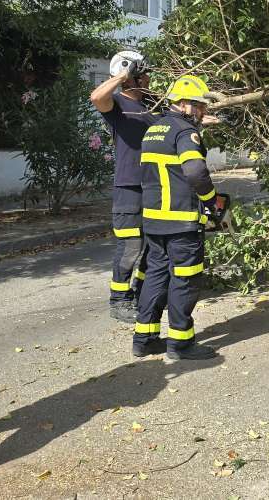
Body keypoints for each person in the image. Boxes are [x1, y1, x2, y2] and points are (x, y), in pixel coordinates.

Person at [133, 74, 220, 360]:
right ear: (185, 104)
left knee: (156, 276)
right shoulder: (185, 132)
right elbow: (195, 172)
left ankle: (144, 339)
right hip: (181, 221)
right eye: (199, 106)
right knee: (185, 279)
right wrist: (211, 202)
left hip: (154, 221)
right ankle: (181, 343)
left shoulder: (155, 130)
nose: (203, 112)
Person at [88, 48, 158, 322]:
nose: (149, 77)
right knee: (130, 244)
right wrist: (122, 75)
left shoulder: (151, 105)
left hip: (154, 185)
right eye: (144, 73)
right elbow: (96, 97)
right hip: (128, 186)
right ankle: (119, 299)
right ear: (132, 77)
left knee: (153, 245)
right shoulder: (116, 104)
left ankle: (141, 292)